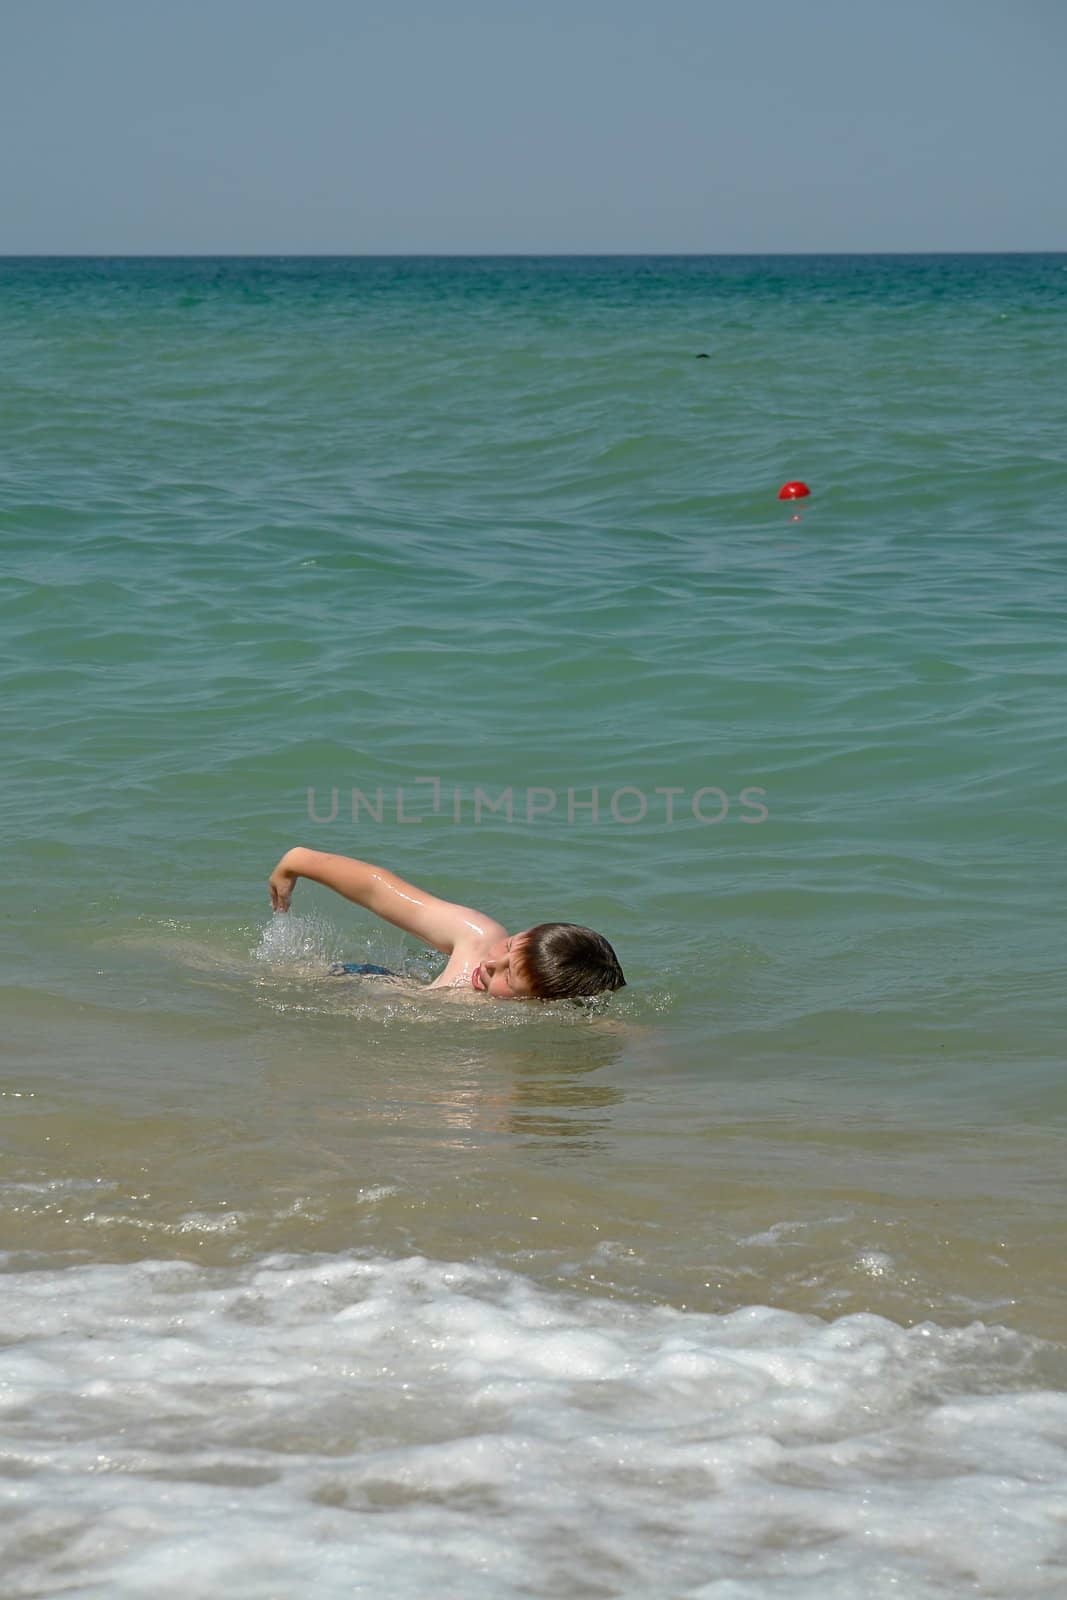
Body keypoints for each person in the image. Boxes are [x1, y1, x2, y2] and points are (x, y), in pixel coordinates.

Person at [268, 846, 625, 1002]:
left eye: (507, 976)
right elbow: (379, 889)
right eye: (508, 946)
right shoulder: (478, 938)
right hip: (348, 980)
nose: (489, 964)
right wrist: (300, 861)